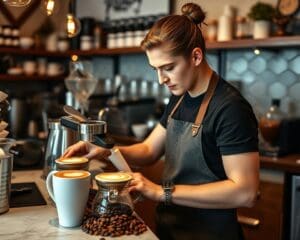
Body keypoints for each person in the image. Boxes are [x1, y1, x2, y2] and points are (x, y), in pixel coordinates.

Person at [62, 3, 259, 240]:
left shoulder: (230, 108)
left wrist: (160, 191)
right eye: (156, 69)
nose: (161, 79)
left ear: (196, 56)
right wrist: (104, 151)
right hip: (169, 229)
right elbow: (148, 150)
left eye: (168, 68)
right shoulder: (179, 99)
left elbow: (244, 192)